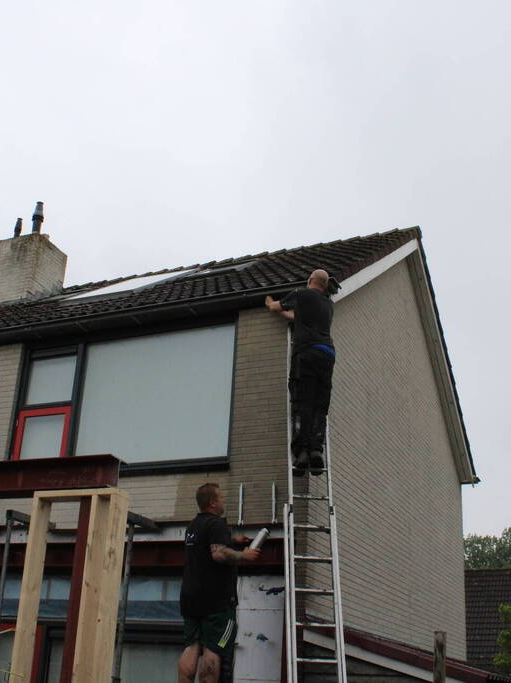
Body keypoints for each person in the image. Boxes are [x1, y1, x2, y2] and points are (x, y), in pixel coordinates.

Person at [178, 483, 261, 683]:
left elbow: (208, 547)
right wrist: (244, 555)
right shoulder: (217, 524)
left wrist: (231, 541)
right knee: (212, 649)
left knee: (191, 647)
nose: (224, 500)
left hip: (190, 600)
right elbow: (217, 553)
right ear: (213, 503)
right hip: (215, 603)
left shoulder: (193, 526)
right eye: (222, 497)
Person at [265, 268, 336, 476]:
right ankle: (316, 450)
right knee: (319, 405)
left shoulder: (302, 294)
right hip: (327, 354)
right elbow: (296, 316)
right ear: (324, 285)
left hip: (306, 353)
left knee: (302, 402)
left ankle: (302, 453)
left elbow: (278, 306)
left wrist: (270, 303)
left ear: (310, 280)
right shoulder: (328, 305)